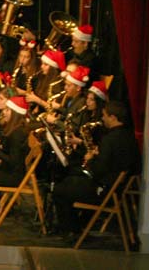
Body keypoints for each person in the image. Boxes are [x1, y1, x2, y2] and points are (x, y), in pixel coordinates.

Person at [52, 101, 140, 236]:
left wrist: (90, 158)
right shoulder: (129, 136)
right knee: (71, 181)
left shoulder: (110, 139)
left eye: (105, 115)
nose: (102, 118)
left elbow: (98, 170)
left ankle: (71, 229)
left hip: (104, 191)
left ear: (113, 117)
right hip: (116, 188)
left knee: (60, 189)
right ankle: (79, 224)